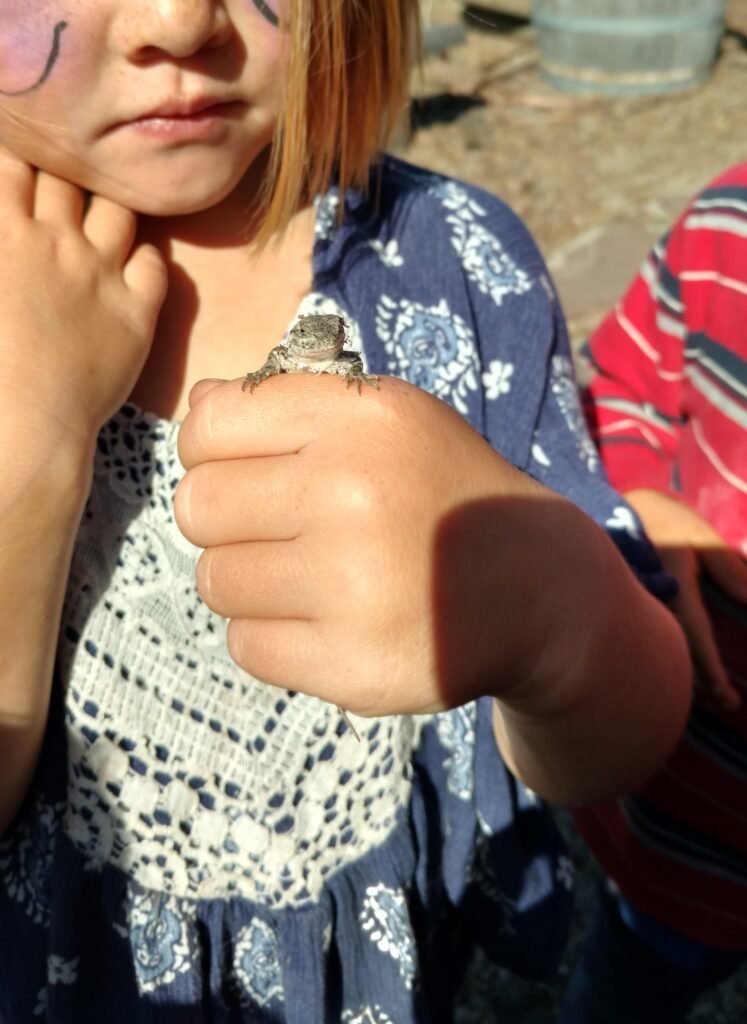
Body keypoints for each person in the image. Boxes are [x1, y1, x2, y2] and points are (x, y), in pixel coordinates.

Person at [0, 2, 690, 1020]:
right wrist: (29, 449)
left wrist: (553, 610)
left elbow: (628, 729)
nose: (178, 21)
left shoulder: (455, 260)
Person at [559, 164, 747, 1024]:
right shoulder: (727, 227)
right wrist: (646, 502)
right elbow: (622, 387)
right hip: (692, 808)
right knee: (630, 982)